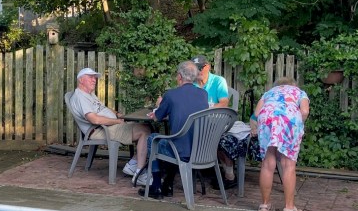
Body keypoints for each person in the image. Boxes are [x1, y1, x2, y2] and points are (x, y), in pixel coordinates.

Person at [138, 60, 209, 199]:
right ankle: (168, 184)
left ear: (179, 76)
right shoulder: (203, 94)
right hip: (200, 150)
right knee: (176, 139)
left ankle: (157, 186)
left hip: (179, 152)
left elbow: (157, 118)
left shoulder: (171, 95)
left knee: (153, 139)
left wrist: (160, 105)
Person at [68, 67, 150, 181]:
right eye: (90, 77)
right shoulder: (80, 97)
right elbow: (94, 120)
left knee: (148, 127)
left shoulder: (89, 94)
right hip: (100, 130)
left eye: (95, 78)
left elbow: (102, 108)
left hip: (109, 126)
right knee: (144, 132)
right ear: (81, 80)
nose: (94, 80)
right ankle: (139, 174)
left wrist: (117, 114)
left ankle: (133, 164)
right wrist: (117, 121)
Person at [254, 76, 311, 211]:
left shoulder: (269, 93)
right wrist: (299, 124)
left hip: (266, 119)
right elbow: (304, 111)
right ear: (293, 85)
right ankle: (289, 210)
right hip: (289, 120)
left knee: (267, 163)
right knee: (288, 164)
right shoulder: (299, 92)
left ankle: (264, 206)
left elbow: (257, 113)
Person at [193, 54, 238, 184]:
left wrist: (204, 109)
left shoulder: (218, 81)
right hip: (197, 122)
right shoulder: (190, 83)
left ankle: (229, 175)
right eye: (195, 68)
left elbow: (224, 103)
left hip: (216, 121)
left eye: (200, 68)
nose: (198, 71)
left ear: (208, 66)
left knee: (216, 137)